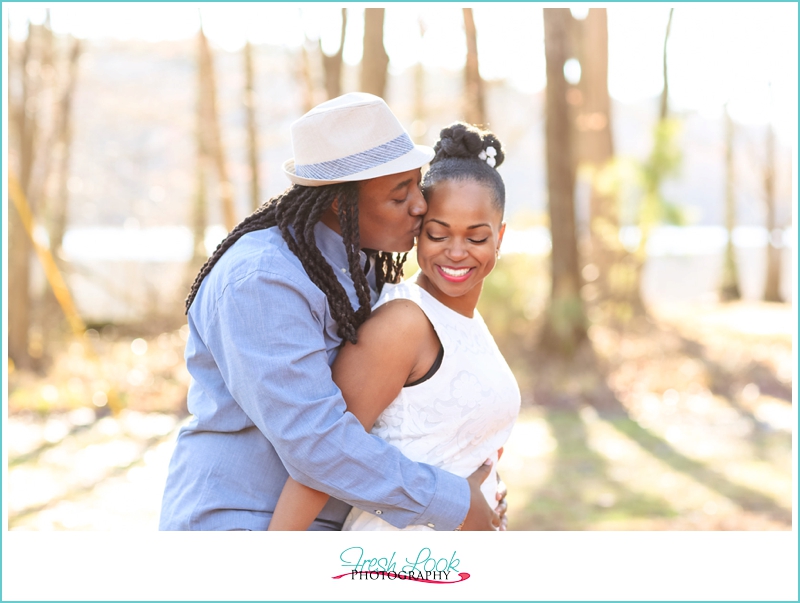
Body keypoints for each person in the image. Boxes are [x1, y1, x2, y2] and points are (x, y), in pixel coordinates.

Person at [159, 93, 505, 531]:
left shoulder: (358, 265)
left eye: (415, 185)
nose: (420, 206)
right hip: (242, 522)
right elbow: (317, 444)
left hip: (334, 525)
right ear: (338, 205)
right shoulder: (262, 281)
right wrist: (453, 501)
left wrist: (479, 485)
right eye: (399, 197)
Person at [268, 122, 520, 531]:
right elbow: (323, 460)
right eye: (439, 234)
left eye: (476, 238)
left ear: (500, 237)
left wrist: (488, 496)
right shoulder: (402, 323)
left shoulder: (463, 318)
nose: (456, 253)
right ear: (419, 230)